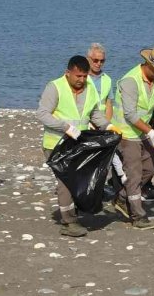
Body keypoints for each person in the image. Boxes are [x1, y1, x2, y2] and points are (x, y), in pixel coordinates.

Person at [38, 55, 120, 237]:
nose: (81, 80)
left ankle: (75, 212)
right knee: (65, 183)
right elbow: (42, 114)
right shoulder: (55, 87)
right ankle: (69, 222)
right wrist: (65, 127)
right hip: (56, 144)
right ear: (68, 73)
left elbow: (94, 114)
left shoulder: (90, 89)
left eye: (84, 76)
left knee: (78, 180)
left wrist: (109, 126)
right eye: (78, 76)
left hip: (78, 144)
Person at [110, 45, 154, 229]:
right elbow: (130, 114)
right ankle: (137, 215)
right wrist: (151, 132)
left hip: (144, 132)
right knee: (134, 173)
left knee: (150, 169)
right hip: (127, 134)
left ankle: (122, 198)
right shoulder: (130, 81)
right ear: (147, 64)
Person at [86, 43, 113, 121]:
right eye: (95, 60)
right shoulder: (82, 77)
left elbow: (109, 104)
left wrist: (107, 125)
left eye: (102, 61)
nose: (99, 64)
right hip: (87, 121)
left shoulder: (107, 79)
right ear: (88, 59)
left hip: (102, 122)